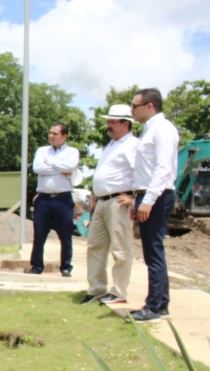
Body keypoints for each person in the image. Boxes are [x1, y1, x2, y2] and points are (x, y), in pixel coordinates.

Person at [129, 88, 179, 321]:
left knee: (153, 251)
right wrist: (136, 199)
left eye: (135, 106)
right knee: (151, 250)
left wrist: (147, 200)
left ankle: (154, 306)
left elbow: (163, 169)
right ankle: (161, 304)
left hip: (157, 195)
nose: (132, 110)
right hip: (146, 193)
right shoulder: (149, 130)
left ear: (149, 106)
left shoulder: (163, 129)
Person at [80, 105, 138, 306]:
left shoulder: (132, 145)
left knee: (120, 248)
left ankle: (119, 291)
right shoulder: (111, 145)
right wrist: (96, 198)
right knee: (95, 246)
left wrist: (134, 199)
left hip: (119, 201)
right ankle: (96, 288)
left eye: (112, 122)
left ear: (125, 123)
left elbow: (141, 173)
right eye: (108, 121)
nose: (108, 126)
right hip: (103, 201)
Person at [25, 122, 80, 277]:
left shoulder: (72, 151)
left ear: (64, 136)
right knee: (39, 234)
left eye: (55, 134)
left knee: (65, 234)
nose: (51, 136)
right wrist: (60, 169)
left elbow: (70, 166)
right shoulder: (42, 151)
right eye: (50, 133)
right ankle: (36, 266)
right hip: (43, 199)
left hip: (63, 198)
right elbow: (37, 168)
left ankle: (66, 267)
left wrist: (50, 164)